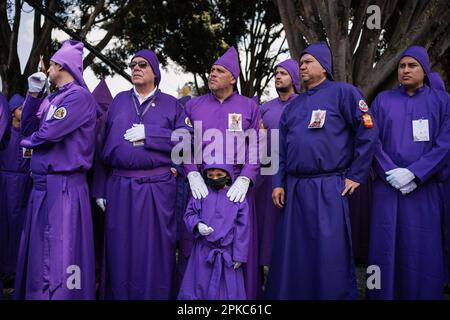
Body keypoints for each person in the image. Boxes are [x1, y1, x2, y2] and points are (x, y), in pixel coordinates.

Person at [266, 41, 378, 299]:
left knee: (330, 252)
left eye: (308, 62)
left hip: (329, 186)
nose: (302, 67)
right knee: (294, 253)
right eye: (301, 63)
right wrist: (278, 183)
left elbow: (368, 130)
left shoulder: (344, 93)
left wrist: (356, 174)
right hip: (294, 188)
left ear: (324, 67)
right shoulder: (293, 105)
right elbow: (279, 149)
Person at [94, 49, 190, 299]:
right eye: (133, 64)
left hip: (157, 189)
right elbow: (100, 144)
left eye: (143, 65)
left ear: (155, 72)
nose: (136, 68)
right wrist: (100, 187)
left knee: (155, 249)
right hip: (120, 187)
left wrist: (151, 135)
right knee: (119, 249)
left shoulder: (172, 104)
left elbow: (188, 141)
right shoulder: (119, 102)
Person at [14, 40, 97, 300]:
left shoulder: (79, 97)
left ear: (61, 65)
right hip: (43, 187)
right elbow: (27, 127)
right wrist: (34, 95)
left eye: (51, 64)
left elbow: (48, 133)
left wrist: (27, 145)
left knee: (60, 254)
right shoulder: (53, 97)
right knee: (41, 255)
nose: (47, 68)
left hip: (63, 188)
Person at [368, 46, 450, 300]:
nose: (405, 70)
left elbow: (445, 143)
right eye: (402, 66)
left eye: (412, 66)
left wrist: (415, 173)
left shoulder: (442, 101)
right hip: (388, 187)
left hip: (423, 189)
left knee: (421, 248)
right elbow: (371, 139)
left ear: (424, 70)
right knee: (385, 246)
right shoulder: (382, 100)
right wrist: (390, 171)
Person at [182, 47, 261, 299]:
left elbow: (258, 145)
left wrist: (247, 177)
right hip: (202, 186)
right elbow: (184, 142)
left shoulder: (249, 107)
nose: (212, 74)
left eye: (220, 70)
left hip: (237, 188)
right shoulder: (193, 105)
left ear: (233, 78)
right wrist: (192, 173)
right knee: (199, 241)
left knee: (239, 241)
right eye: (212, 70)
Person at [178, 164, 249, 300]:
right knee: (199, 287)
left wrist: (239, 255)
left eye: (219, 175)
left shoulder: (237, 198)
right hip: (202, 253)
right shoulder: (201, 194)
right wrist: (197, 224)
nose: (214, 178)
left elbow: (243, 227)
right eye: (210, 176)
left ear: (228, 175)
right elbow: (189, 214)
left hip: (227, 255)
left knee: (228, 292)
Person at [255, 59, 299, 271]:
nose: (278, 76)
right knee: (265, 223)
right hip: (265, 174)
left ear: (294, 78)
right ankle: (263, 269)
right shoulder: (265, 108)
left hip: (292, 174)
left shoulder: (303, 104)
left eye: (283, 73)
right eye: (276, 73)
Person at [0, 94, 33, 289]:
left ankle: (17, 270)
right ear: (12, 113)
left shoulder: (29, 134)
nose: (24, 111)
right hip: (5, 183)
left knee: (21, 228)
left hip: (24, 185)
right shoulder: (4, 136)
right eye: (21, 108)